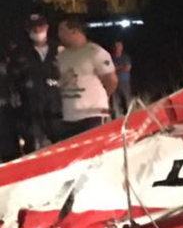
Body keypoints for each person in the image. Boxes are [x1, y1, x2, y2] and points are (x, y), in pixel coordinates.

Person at [52, 16, 118, 141]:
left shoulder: (95, 52)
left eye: (62, 30)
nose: (58, 34)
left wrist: (103, 97)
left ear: (74, 31)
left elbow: (111, 81)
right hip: (69, 116)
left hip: (92, 115)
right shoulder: (61, 56)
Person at [10, 13, 62, 153]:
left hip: (57, 108)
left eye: (40, 25)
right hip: (31, 110)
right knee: (32, 148)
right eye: (33, 27)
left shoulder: (59, 49)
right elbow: (13, 81)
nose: (37, 30)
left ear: (46, 26)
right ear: (27, 30)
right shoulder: (19, 53)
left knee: (61, 146)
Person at [110, 40, 133, 117]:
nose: (117, 48)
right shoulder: (111, 58)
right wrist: (121, 67)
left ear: (122, 47)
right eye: (116, 46)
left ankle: (129, 116)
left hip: (124, 81)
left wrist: (116, 69)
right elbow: (110, 70)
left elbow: (127, 68)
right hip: (114, 82)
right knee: (115, 102)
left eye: (119, 46)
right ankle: (116, 118)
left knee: (127, 99)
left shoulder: (125, 57)